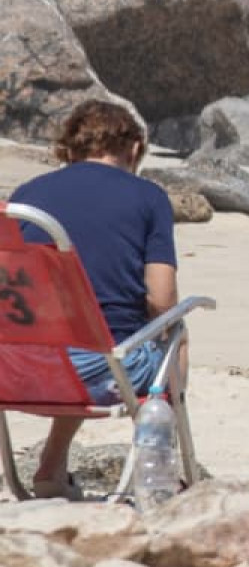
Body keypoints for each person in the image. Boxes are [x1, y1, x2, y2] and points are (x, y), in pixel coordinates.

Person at [13, 101, 178, 499]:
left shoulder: (24, 196)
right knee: (174, 334)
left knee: (73, 339)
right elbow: (161, 299)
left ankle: (52, 467)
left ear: (69, 151)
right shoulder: (148, 197)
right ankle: (159, 470)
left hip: (20, 370)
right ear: (135, 150)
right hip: (104, 373)